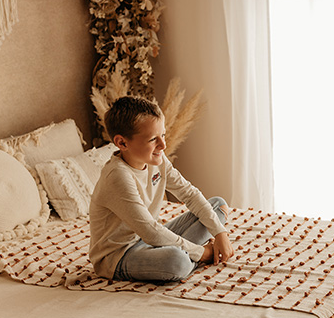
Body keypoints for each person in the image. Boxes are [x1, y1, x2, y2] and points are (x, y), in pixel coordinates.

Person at [89, 95, 233, 282]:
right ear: (122, 143)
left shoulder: (157, 159)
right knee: (177, 261)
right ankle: (192, 259)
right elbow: (151, 231)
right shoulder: (117, 177)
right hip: (119, 256)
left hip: (149, 240)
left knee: (218, 206)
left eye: (163, 135)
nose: (163, 145)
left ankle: (185, 255)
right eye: (152, 139)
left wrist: (220, 233)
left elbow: (188, 194)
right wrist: (203, 253)